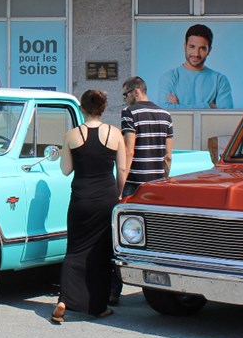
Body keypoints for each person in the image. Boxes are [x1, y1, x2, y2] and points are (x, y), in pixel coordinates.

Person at [51, 88, 127, 324]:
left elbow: (65, 170)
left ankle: (64, 300)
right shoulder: (115, 134)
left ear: (82, 108)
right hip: (106, 198)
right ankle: (98, 307)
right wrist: (119, 194)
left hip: (81, 198)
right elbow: (122, 169)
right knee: (101, 253)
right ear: (103, 109)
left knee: (74, 250)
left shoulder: (72, 135)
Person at [116, 76, 174, 305]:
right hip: (157, 184)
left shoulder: (130, 113)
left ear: (136, 91)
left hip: (135, 182)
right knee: (156, 236)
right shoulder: (166, 115)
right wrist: (164, 179)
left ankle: (114, 290)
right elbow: (168, 155)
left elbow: (129, 151)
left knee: (125, 236)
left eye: (125, 94)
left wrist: (121, 184)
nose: (125, 99)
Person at [158, 23, 233, 109]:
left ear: (209, 50)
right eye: (192, 46)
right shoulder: (169, 78)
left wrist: (178, 107)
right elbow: (164, 110)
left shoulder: (220, 80)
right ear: (185, 46)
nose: (196, 54)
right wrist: (209, 106)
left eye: (202, 48)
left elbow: (225, 114)